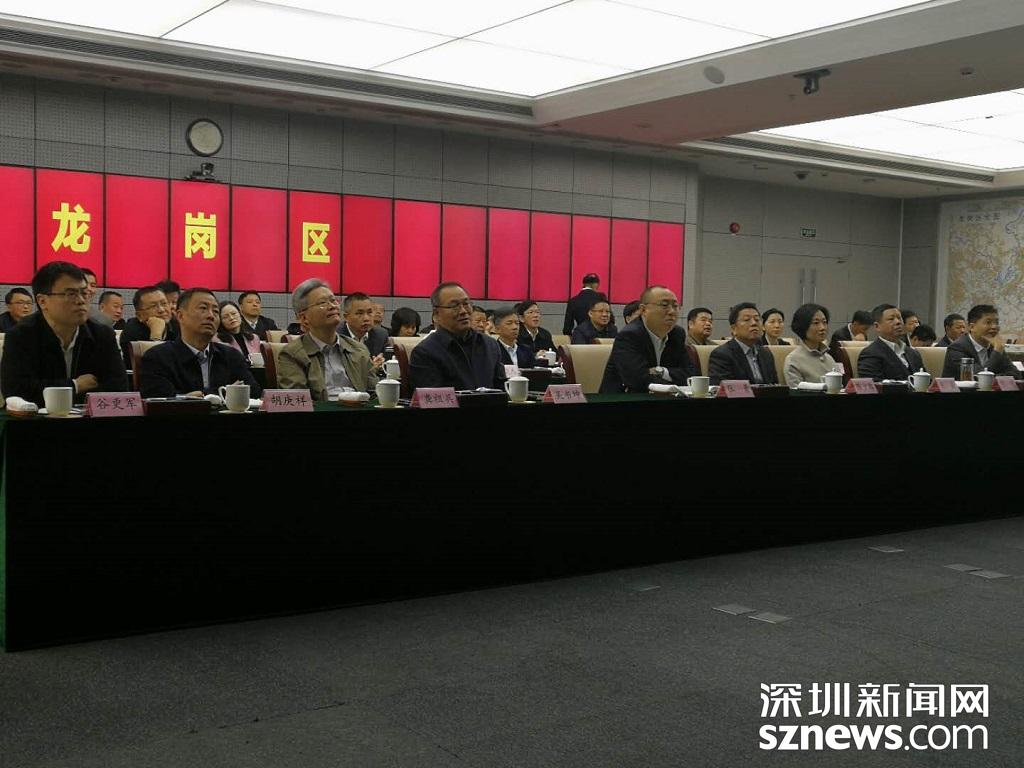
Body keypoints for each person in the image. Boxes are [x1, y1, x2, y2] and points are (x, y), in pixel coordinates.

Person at [1, 261, 126, 406]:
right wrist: (75, 385)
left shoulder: (103, 335)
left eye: (84, 293)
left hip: (90, 418)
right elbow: (17, 393)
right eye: (71, 294)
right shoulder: (21, 336)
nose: (81, 301)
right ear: (42, 301)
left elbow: (118, 390)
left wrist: (53, 390)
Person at [139, 287, 260, 398]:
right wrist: (224, 392)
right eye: (203, 309)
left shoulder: (231, 355)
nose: (211, 316)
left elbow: (253, 392)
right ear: (180, 316)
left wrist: (199, 395)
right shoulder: (157, 357)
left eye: (216, 311)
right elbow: (159, 400)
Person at [276, 279, 377, 398]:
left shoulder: (358, 350)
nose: (333, 306)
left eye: (333, 300)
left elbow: (375, 395)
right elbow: (297, 401)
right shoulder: (292, 354)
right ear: (304, 318)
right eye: (322, 303)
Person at [600, 285, 697, 393]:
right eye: (664, 305)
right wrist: (673, 384)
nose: (672, 311)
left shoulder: (677, 334)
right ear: (643, 310)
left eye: (675, 306)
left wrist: (660, 371)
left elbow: (691, 374)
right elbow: (637, 380)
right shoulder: (629, 335)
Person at [409, 282, 503, 390]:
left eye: (466, 304)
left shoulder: (490, 345)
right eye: (454, 306)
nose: (463, 311)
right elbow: (431, 397)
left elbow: (502, 389)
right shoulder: (425, 352)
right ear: (436, 314)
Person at [941, 304, 1021, 379]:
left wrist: (996, 377)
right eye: (988, 322)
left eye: (996, 322)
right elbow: (981, 377)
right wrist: (997, 352)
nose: (994, 327)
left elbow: (1016, 374)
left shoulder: (995, 346)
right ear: (972, 327)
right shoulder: (957, 348)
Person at [708, 302, 779, 385]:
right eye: (747, 320)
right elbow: (724, 388)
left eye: (757, 319)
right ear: (733, 329)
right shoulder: (722, 355)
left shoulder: (766, 354)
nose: (754, 323)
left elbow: (775, 386)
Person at [856, 304, 924, 381]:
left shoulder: (913, 353)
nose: (898, 322)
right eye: (891, 319)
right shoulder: (870, 354)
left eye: (899, 318)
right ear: (877, 326)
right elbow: (874, 384)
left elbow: (926, 380)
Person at [120, 286, 176, 369]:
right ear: (140, 315)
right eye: (153, 306)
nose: (161, 310)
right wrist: (156, 336)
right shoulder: (131, 332)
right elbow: (150, 366)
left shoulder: (179, 325)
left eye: (164, 303)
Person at [783, 303, 837, 387]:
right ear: (803, 326)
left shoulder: (830, 359)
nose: (822, 327)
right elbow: (796, 392)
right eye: (816, 323)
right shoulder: (793, 360)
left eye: (824, 322)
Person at [339, 291, 388, 362]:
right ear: (346, 317)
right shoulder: (336, 336)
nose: (366, 318)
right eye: (359, 313)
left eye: (369, 312)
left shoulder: (381, 335)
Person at [492, 305, 534, 369]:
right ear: (497, 328)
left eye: (517, 323)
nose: (515, 327)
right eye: (509, 323)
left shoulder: (526, 350)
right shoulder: (492, 351)